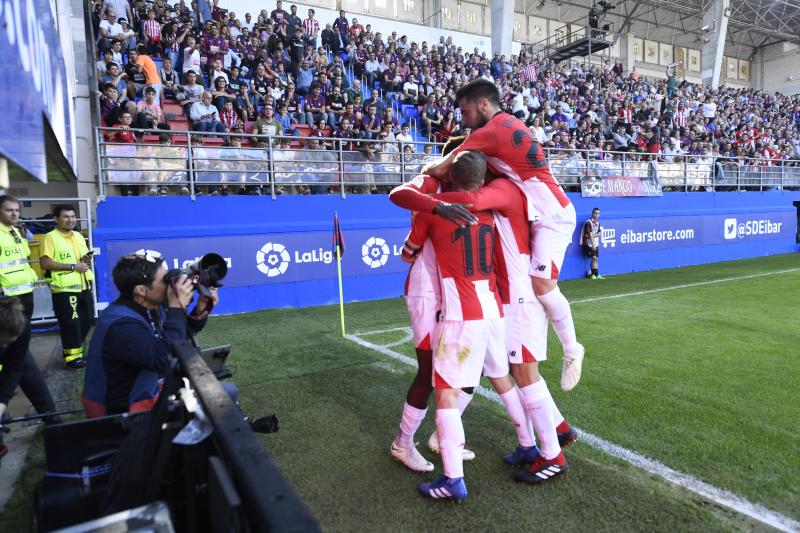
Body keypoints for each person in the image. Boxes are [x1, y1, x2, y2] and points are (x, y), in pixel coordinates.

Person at [422, 78, 585, 392]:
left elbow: (444, 169)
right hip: (542, 215)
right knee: (536, 285)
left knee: (542, 284)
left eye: (467, 113)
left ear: (484, 105)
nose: (464, 120)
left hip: (552, 215)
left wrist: (422, 178)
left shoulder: (491, 131)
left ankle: (572, 348)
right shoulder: (509, 124)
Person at [403, 151, 504, 503]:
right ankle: (405, 443)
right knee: (435, 373)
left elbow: (409, 247)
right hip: (449, 298)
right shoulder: (450, 197)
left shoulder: (449, 201)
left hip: (457, 302)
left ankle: (446, 454)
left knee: (457, 380)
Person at [81, 252, 218, 416]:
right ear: (141, 290)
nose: (169, 285)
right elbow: (164, 359)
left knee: (218, 395)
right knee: (215, 402)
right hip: (121, 413)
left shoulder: (149, 306)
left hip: (144, 392)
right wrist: (177, 307)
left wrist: (200, 308)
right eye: (164, 280)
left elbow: (180, 335)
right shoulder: (121, 325)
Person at [0, 197, 59, 428]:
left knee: (20, 356)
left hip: (24, 296)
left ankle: (49, 415)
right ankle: (50, 415)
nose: (15, 214)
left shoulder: (16, 232)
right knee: (19, 358)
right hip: (7, 300)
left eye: (17, 210)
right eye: (9, 210)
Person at [39, 205, 95, 369]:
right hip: (64, 289)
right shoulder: (49, 237)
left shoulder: (77, 235)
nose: (70, 220)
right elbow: (45, 263)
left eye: (72, 216)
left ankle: (72, 351)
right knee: (71, 323)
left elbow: (81, 261)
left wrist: (85, 259)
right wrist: (73, 267)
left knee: (87, 320)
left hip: (83, 285)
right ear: (56, 219)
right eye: (66, 217)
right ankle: (72, 358)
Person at [581, 207, 603, 279]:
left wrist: (593, 235)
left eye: (598, 213)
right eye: (595, 213)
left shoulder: (598, 223)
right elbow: (590, 234)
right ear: (592, 213)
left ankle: (596, 274)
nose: (596, 215)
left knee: (596, 258)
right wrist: (593, 243)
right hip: (589, 243)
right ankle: (592, 275)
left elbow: (599, 233)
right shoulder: (588, 222)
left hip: (595, 243)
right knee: (593, 258)